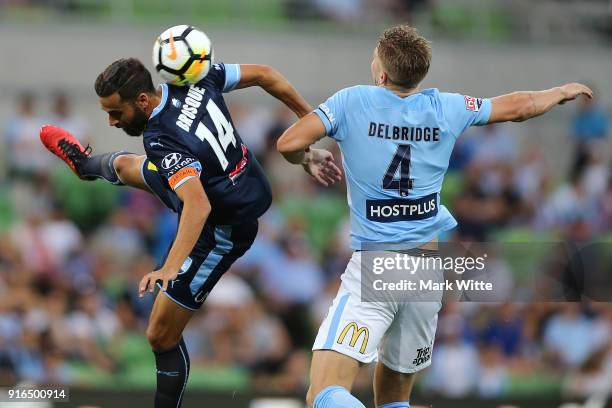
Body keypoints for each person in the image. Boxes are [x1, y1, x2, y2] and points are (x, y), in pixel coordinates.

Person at [276, 24, 593, 408]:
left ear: (380, 73)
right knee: (394, 399)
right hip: (426, 274)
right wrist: (558, 92)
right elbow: (519, 106)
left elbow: (288, 142)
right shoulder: (447, 107)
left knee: (323, 392)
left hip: (377, 267)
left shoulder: (352, 101)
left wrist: (308, 159)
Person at [41, 58, 341, 408]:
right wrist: (311, 127)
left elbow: (198, 207)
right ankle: (83, 164)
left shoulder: (162, 137)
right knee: (133, 167)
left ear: (142, 100)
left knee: (160, 335)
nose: (111, 120)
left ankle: (85, 166)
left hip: (222, 229)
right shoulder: (195, 78)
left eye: (115, 112)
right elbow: (266, 74)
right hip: (236, 185)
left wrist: (171, 266)